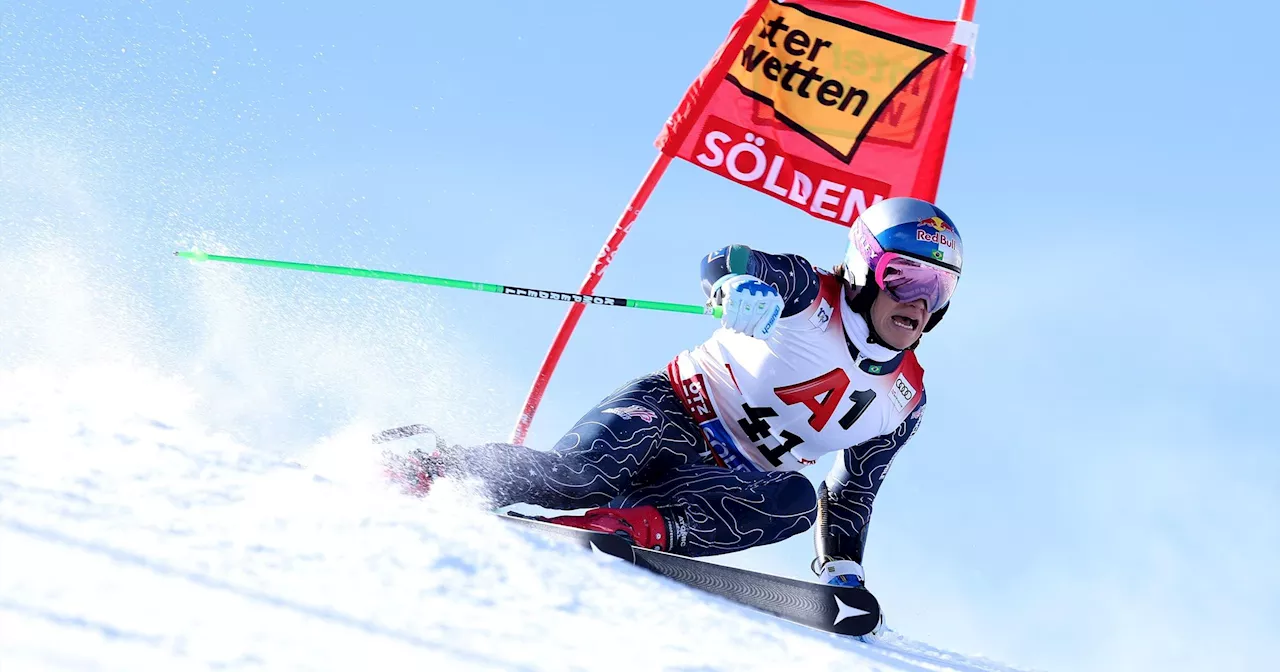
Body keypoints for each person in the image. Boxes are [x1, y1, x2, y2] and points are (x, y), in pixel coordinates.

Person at [386, 196, 963, 596]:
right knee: (576, 477)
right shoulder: (809, 290)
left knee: (794, 498)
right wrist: (736, 285)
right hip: (665, 414)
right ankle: (429, 468)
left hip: (720, 481)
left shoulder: (905, 398)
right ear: (864, 268)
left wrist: (842, 572)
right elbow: (729, 260)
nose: (917, 302)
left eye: (937, 288)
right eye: (903, 277)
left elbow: (854, 488)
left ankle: (622, 529)